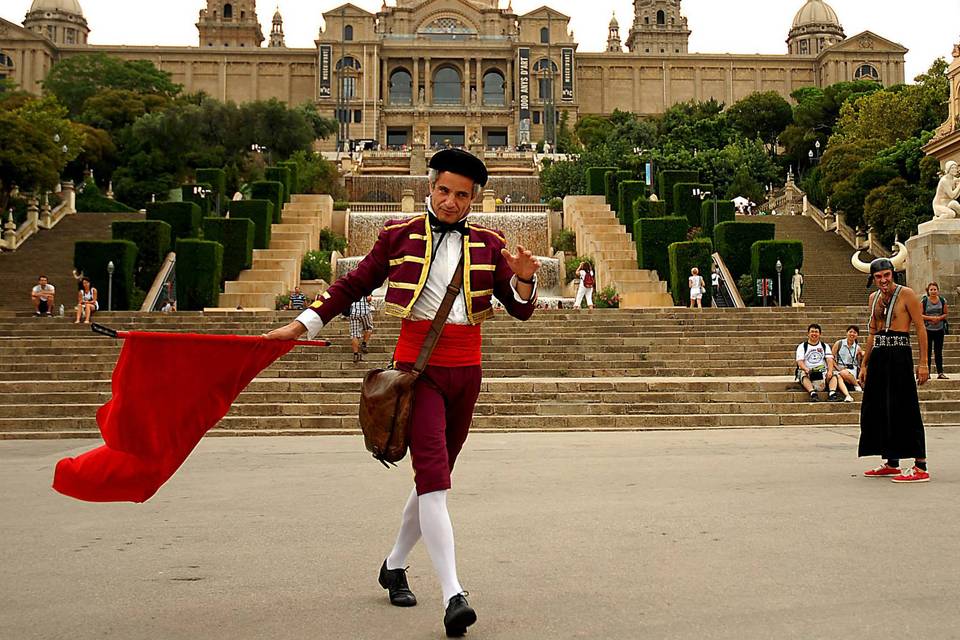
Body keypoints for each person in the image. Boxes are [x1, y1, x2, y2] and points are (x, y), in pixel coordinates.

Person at [264, 148, 539, 636]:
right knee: (433, 478)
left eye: (460, 195)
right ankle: (454, 594)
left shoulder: (491, 244)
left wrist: (523, 279)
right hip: (419, 371)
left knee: (434, 477)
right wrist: (300, 325)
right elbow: (353, 284)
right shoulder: (398, 235)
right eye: (443, 191)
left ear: (474, 199)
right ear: (430, 187)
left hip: (467, 374)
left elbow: (520, 310)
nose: (450, 202)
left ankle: (393, 565)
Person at [855, 256, 930, 483]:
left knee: (905, 406)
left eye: (886, 275)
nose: (883, 280)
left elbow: (920, 328)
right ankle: (891, 461)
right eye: (878, 277)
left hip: (900, 354)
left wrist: (924, 362)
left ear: (892, 274)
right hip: (879, 354)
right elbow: (872, 333)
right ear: (873, 279)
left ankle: (920, 465)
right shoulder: (873, 298)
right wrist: (865, 364)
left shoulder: (907, 294)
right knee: (878, 407)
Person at [795, 324, 843, 402]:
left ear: (820, 334)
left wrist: (830, 371)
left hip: (822, 371)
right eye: (812, 332)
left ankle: (832, 393)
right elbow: (800, 362)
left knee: (834, 375)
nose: (814, 334)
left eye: (816, 332)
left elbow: (829, 359)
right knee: (803, 373)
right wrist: (806, 369)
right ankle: (813, 393)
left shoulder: (825, 346)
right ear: (808, 334)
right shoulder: (802, 346)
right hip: (809, 371)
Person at [921, 282, 949, 380]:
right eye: (931, 290)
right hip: (928, 329)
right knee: (927, 352)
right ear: (928, 291)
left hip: (939, 329)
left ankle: (940, 372)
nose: (933, 291)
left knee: (938, 352)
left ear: (938, 290)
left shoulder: (942, 300)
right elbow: (920, 315)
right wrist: (930, 318)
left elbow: (945, 313)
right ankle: (927, 373)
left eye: (935, 289)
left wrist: (939, 318)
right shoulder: (924, 301)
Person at [832, 326, 864, 394]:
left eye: (854, 332)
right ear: (847, 333)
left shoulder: (857, 348)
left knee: (843, 373)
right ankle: (851, 389)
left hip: (851, 369)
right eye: (850, 332)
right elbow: (831, 358)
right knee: (839, 375)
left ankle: (856, 385)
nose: (852, 334)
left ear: (857, 335)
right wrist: (838, 368)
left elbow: (858, 363)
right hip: (839, 368)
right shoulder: (839, 343)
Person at [347, 294, 374, 363]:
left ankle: (355, 354)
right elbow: (369, 298)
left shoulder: (350, 289)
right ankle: (364, 344)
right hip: (365, 312)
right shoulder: (365, 288)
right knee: (368, 328)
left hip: (353, 313)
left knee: (354, 334)